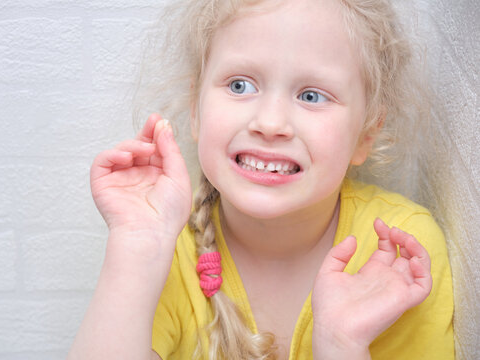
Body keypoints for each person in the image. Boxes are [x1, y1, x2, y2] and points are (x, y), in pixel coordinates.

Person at [68, 0, 454, 359]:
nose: (270, 123)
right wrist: (137, 249)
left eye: (312, 96)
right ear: (196, 110)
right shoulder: (166, 247)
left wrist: (342, 345)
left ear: (366, 133)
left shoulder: (400, 254)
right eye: (240, 85)